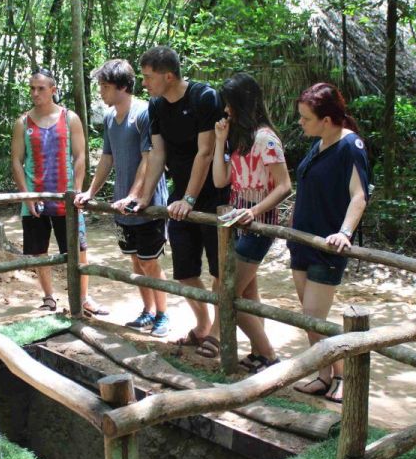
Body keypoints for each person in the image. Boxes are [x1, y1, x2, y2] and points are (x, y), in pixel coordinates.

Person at [132, 46, 227, 350]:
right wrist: (145, 197)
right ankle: (202, 326)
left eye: (148, 77)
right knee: (185, 271)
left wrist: (190, 197)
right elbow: (158, 154)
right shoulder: (156, 106)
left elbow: (206, 151)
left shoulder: (204, 97)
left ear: (168, 76)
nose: (144, 83)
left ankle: (219, 333)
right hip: (179, 197)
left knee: (219, 271)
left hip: (214, 195)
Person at [74, 60, 170, 335]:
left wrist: (133, 195)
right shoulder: (109, 118)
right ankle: (147, 311)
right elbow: (107, 157)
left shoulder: (142, 113)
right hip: (122, 204)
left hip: (148, 202)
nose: (101, 92)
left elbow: (149, 159)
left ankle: (163, 314)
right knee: (136, 260)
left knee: (150, 260)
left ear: (123, 87)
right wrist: (90, 192)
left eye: (105, 86)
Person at [289, 83, 370, 403]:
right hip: (301, 242)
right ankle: (325, 375)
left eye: (305, 118)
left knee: (313, 315)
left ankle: (344, 377)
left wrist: (345, 232)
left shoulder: (351, 145)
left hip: (327, 248)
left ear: (327, 119)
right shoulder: (319, 143)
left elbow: (359, 195)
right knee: (310, 319)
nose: (300, 123)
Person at [210, 73, 291, 373]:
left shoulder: (266, 138)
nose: (226, 111)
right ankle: (259, 352)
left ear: (241, 104)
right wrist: (220, 142)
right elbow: (221, 179)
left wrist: (254, 212)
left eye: (229, 104)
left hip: (257, 227)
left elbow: (284, 186)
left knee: (226, 290)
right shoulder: (239, 139)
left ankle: (269, 356)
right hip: (238, 223)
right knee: (248, 294)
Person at [10, 68, 107, 317]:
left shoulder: (69, 118)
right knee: (39, 251)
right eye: (32, 88)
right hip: (35, 199)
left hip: (67, 198)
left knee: (78, 249)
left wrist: (76, 190)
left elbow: (80, 156)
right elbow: (16, 162)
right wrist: (26, 195)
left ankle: (83, 297)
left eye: (40, 88)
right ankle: (48, 297)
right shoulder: (22, 123)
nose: (35, 93)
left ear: (53, 90)